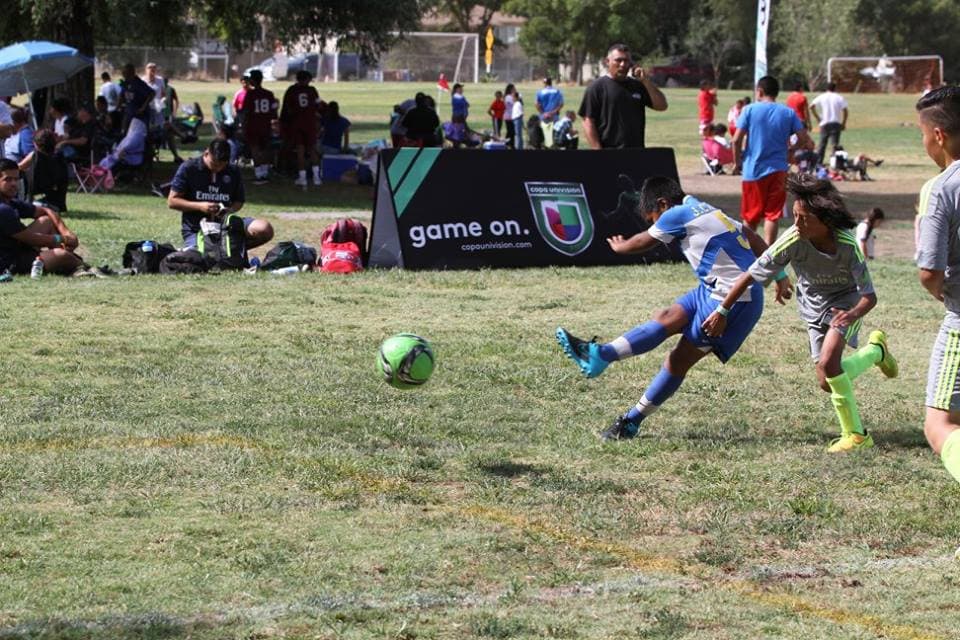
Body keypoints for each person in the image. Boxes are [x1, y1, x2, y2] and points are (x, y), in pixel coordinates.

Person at [556, 176, 780, 440]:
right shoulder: (702, 207)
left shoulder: (677, 214)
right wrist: (780, 275)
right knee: (666, 317)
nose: (657, 226)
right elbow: (751, 235)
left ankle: (630, 421)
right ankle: (601, 355)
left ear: (663, 204)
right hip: (713, 288)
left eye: (654, 219)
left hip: (734, 298)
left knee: (678, 359)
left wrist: (620, 247)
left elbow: (644, 241)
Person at [705, 174, 897, 453]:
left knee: (830, 363)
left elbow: (870, 297)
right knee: (826, 379)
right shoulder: (792, 239)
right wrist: (723, 309)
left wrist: (852, 314)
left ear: (825, 221)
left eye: (803, 218)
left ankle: (856, 435)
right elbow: (751, 274)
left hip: (846, 304)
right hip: (813, 307)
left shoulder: (848, 244)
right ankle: (876, 352)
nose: (796, 224)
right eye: (794, 215)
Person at [914, 86, 960, 518]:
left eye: (922, 134)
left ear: (940, 135)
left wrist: (944, 295)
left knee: (940, 423)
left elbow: (930, 273)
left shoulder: (942, 188)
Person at [733, 75, 814, 246]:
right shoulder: (788, 112)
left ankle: (747, 252)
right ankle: (769, 254)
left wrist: (737, 162)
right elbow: (803, 137)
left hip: (753, 170)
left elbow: (736, 140)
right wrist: (791, 151)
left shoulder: (749, 110)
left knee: (750, 217)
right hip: (778, 170)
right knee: (772, 215)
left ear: (760, 91)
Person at [167, 139, 273, 252]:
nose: (217, 169)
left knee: (264, 229)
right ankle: (221, 252)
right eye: (214, 164)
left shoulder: (233, 171)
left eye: (222, 166)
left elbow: (239, 201)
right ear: (206, 153)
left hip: (226, 226)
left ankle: (232, 251)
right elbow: (172, 201)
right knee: (202, 256)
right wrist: (200, 206)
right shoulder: (189, 168)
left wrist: (229, 210)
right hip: (198, 228)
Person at [0, 158, 82, 276]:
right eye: (8, 179)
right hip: (9, 263)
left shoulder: (10, 201)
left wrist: (66, 232)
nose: (14, 183)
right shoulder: (3, 210)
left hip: (16, 248)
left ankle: (69, 259)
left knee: (46, 221)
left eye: (16, 179)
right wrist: (64, 239)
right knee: (61, 255)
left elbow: (46, 210)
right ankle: (82, 266)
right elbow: (31, 239)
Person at [578, 43, 668, 149]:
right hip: (609, 153)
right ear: (608, 61)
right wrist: (599, 152)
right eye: (618, 60)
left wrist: (646, 81)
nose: (622, 64)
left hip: (636, 153)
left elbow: (662, 106)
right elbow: (588, 122)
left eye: (626, 61)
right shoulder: (596, 87)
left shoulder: (638, 86)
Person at [280, 70, 323, 187]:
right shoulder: (312, 90)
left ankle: (302, 177)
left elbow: (287, 109)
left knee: (300, 150)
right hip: (310, 123)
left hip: (297, 123)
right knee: (312, 149)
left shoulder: (292, 90)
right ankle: (316, 177)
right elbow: (319, 105)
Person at [240, 69, 277, 185]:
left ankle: (259, 174)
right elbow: (274, 111)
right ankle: (265, 173)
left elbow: (245, 111)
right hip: (265, 125)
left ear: (253, 80)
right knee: (265, 149)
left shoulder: (250, 94)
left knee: (255, 150)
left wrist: (243, 126)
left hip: (253, 125)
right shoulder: (269, 94)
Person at [811, 82, 849, 164]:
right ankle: (834, 162)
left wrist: (817, 118)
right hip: (836, 123)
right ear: (835, 88)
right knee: (835, 145)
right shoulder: (839, 97)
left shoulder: (822, 96)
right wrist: (843, 123)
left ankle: (819, 162)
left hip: (824, 123)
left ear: (826, 88)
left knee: (822, 144)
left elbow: (812, 106)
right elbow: (845, 110)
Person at [536, 77, 564, 148]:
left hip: (543, 117)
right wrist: (553, 112)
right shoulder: (557, 91)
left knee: (545, 137)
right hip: (554, 117)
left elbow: (537, 104)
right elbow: (561, 104)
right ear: (551, 82)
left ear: (545, 83)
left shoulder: (540, 92)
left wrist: (543, 113)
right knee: (553, 137)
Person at [142, 62, 166, 129]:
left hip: (157, 108)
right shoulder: (142, 80)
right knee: (147, 125)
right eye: (150, 68)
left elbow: (163, 94)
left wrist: (162, 101)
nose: (152, 70)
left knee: (159, 126)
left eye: (154, 69)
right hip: (146, 107)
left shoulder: (160, 80)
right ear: (146, 70)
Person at [509, 86, 524, 150]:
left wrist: (519, 121)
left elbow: (520, 114)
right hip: (515, 120)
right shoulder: (515, 103)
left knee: (518, 135)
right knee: (517, 134)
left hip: (517, 120)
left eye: (513, 97)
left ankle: (519, 147)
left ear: (516, 97)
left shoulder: (518, 104)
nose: (512, 98)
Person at [503, 84, 516, 148]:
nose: (515, 89)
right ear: (510, 89)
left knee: (511, 132)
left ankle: (509, 144)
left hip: (512, 116)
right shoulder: (508, 97)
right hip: (508, 117)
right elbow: (514, 103)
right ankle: (507, 144)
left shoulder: (511, 96)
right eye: (514, 88)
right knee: (511, 131)